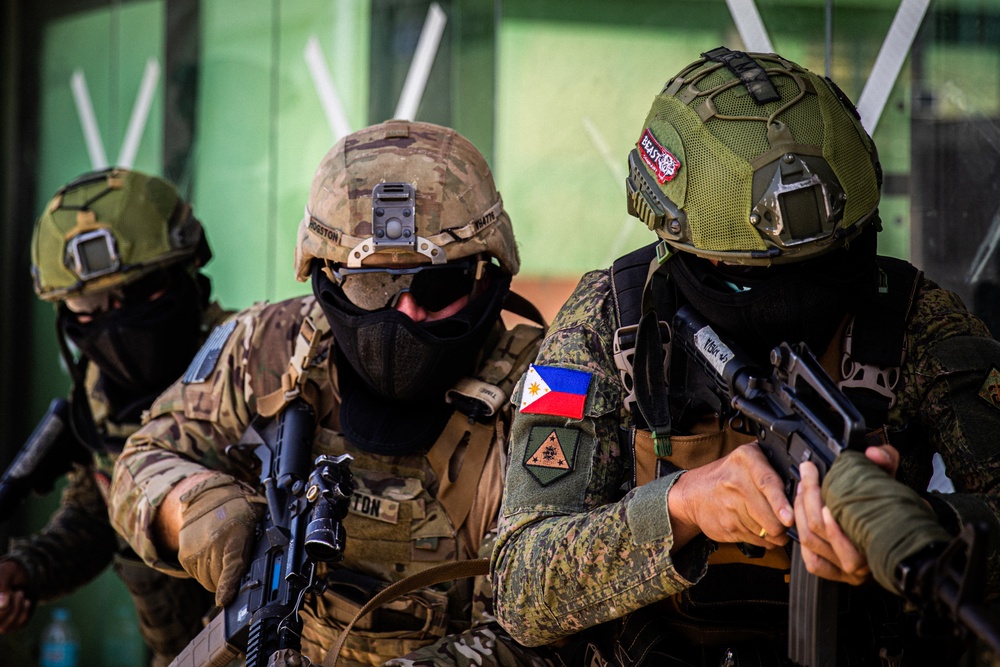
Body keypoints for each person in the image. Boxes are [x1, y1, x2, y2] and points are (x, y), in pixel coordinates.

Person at [491, 48, 1000, 666]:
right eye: (746, 279)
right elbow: (521, 587)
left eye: (824, 269)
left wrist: (908, 525)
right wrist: (683, 507)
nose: (793, 299)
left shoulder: (914, 318)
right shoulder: (613, 320)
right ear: (678, 245)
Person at [109, 120, 548, 666]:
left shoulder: (546, 389)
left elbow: (557, 613)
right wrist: (191, 506)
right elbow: (142, 458)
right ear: (326, 277)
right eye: (372, 285)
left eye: (439, 285)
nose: (405, 313)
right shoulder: (267, 346)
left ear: (488, 274)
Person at [0, 168, 224, 665]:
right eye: (90, 303)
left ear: (187, 269)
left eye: (140, 290)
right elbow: (99, 516)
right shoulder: (97, 395)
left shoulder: (251, 368)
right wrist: (27, 569)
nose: (115, 316)